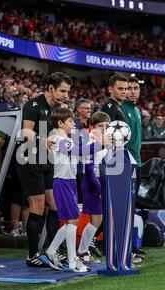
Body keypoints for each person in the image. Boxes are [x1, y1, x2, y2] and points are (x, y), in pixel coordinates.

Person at [16, 72, 72, 267]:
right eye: (62, 91)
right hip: (29, 159)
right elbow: (25, 131)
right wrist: (41, 140)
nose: (66, 95)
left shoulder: (59, 109)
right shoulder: (33, 105)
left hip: (48, 160)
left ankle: (51, 251)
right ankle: (32, 255)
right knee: (38, 207)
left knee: (55, 206)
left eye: (67, 91)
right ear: (50, 88)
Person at [41, 108, 104, 272]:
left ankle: (51, 251)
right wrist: (101, 143)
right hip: (62, 182)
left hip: (68, 182)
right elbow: (80, 151)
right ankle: (72, 261)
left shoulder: (64, 139)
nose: (73, 123)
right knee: (72, 220)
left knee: (73, 220)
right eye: (70, 121)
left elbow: (80, 153)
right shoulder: (58, 139)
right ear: (61, 123)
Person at [77, 111, 112, 264]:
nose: (104, 128)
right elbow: (89, 168)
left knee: (97, 220)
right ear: (93, 126)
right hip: (92, 182)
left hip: (100, 181)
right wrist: (98, 188)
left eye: (107, 125)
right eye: (100, 125)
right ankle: (82, 252)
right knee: (95, 220)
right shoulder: (91, 142)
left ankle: (83, 251)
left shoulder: (106, 142)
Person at [122, 77, 142, 166]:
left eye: (136, 88)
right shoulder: (120, 108)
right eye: (129, 88)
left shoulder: (137, 110)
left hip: (137, 158)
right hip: (125, 160)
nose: (133, 92)